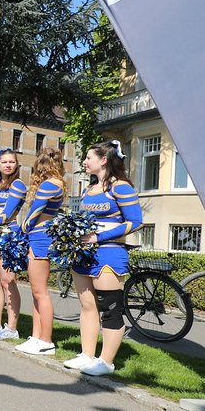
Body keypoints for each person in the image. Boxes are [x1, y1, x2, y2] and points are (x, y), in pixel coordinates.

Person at [65, 140, 142, 376]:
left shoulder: (121, 187)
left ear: (104, 160)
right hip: (84, 253)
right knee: (87, 306)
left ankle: (106, 361)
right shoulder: (89, 189)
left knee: (110, 308)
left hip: (108, 252)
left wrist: (99, 237)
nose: (85, 162)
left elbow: (136, 222)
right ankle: (87, 354)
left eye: (89, 158)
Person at [14, 148, 66, 355]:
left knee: (40, 292)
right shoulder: (58, 183)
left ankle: (46, 340)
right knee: (37, 292)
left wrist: (23, 229)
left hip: (40, 236)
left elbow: (35, 213)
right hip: (42, 235)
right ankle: (37, 337)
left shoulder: (48, 184)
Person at [0, 148, 27, 339]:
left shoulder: (17, 185)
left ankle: (11, 328)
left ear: (16, 164)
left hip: (7, 234)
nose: (8, 165)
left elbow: (7, 213)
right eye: (5, 162)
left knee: (7, 281)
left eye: (11, 162)